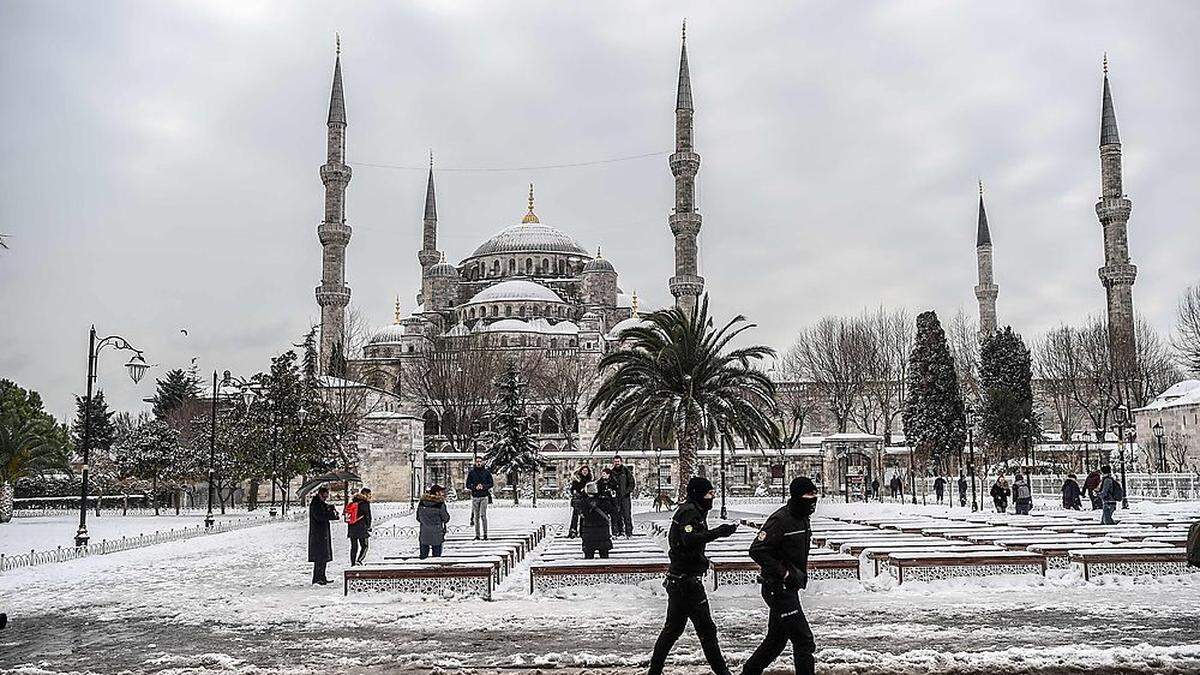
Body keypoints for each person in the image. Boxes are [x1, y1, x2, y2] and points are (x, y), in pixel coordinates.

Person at [647, 477, 739, 675]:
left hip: (679, 579)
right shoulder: (690, 512)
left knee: (672, 630)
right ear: (698, 494)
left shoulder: (692, 510)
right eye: (709, 494)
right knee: (706, 631)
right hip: (687, 583)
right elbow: (689, 539)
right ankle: (723, 673)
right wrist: (719, 532)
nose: (712, 497)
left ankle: (654, 671)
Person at [742, 476, 819, 675]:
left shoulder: (803, 518)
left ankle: (749, 672)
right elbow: (757, 549)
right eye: (809, 494)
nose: (814, 498)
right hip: (778, 589)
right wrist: (784, 573)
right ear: (797, 495)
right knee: (804, 640)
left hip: (788, 588)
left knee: (776, 641)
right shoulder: (780, 520)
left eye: (815, 493)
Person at [308, 486, 339, 585]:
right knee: (319, 557)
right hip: (318, 535)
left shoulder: (321, 504)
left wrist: (330, 508)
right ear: (320, 494)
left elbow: (325, 513)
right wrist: (330, 514)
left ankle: (322, 577)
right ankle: (317, 578)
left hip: (323, 533)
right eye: (324, 497)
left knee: (324, 557)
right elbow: (320, 517)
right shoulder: (315, 504)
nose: (325, 499)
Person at [576, 481, 615, 559]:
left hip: (588, 535)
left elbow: (582, 515)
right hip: (603, 534)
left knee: (589, 557)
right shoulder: (604, 500)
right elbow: (613, 510)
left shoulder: (583, 502)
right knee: (604, 557)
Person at [417, 484, 451, 558]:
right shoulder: (440, 504)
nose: (442, 493)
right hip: (437, 534)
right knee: (436, 558)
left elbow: (418, 518)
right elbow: (446, 518)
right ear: (437, 493)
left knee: (423, 556)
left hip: (424, 533)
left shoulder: (422, 503)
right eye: (441, 491)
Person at [466, 456, 494, 541]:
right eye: (477, 461)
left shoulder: (486, 472)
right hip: (475, 496)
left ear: (482, 462)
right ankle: (477, 535)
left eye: (480, 461)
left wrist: (483, 486)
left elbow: (491, 483)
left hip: (484, 496)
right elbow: (467, 485)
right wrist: (475, 487)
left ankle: (485, 534)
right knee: (476, 517)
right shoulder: (471, 473)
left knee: (483, 515)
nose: (478, 463)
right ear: (475, 462)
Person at [610, 455, 635, 538]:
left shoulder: (626, 471)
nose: (617, 463)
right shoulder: (612, 472)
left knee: (627, 514)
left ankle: (629, 531)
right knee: (617, 514)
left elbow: (631, 483)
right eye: (615, 461)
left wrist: (627, 492)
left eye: (618, 461)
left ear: (621, 462)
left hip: (625, 497)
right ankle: (619, 531)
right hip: (616, 497)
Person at [346, 487, 373, 565]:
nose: (370, 496)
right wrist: (368, 526)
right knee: (365, 545)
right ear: (365, 494)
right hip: (361, 528)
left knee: (354, 547)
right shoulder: (365, 503)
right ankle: (359, 560)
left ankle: (353, 563)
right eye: (369, 494)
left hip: (352, 527)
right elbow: (368, 516)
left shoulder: (353, 502)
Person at [568, 464, 593, 537]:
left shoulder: (589, 480)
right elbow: (573, 489)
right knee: (575, 515)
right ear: (581, 471)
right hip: (578, 500)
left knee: (584, 516)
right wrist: (576, 492)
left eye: (586, 471)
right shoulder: (576, 480)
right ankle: (573, 530)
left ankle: (583, 531)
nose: (585, 472)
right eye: (583, 470)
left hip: (586, 500)